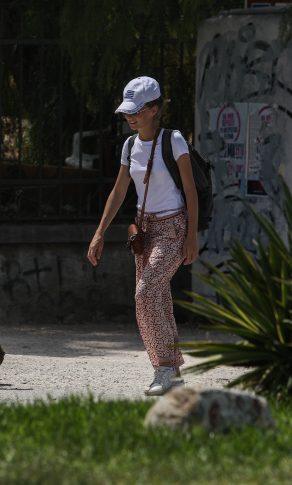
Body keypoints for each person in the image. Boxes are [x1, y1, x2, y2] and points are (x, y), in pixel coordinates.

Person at [87, 76, 199, 396]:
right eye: (127, 111)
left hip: (173, 228)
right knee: (158, 298)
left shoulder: (173, 140)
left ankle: (163, 367)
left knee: (145, 294)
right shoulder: (129, 145)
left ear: (154, 108)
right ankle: (172, 370)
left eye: (136, 111)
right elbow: (120, 189)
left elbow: (190, 190)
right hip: (143, 229)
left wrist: (191, 236)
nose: (129, 117)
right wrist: (99, 233)